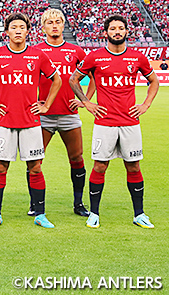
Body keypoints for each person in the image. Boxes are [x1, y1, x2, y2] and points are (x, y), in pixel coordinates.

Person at [0, 12, 61, 229]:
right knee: (0, 168)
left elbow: (57, 79)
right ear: (7, 32)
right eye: (14, 27)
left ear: (28, 31)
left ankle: (40, 214)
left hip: (31, 122)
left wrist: (46, 105)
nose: (18, 30)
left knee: (36, 167)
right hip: (5, 121)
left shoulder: (38, 55)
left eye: (22, 27)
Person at [70, 14, 158, 229]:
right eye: (113, 29)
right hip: (104, 122)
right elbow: (73, 79)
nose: (117, 32)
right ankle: (94, 213)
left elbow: (153, 81)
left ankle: (139, 214)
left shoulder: (138, 57)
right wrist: (87, 102)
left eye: (120, 28)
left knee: (134, 167)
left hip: (130, 123)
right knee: (100, 166)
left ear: (127, 31)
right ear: (105, 33)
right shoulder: (95, 57)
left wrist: (145, 105)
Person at [34, 9, 91, 217]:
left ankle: (78, 203)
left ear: (64, 25)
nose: (54, 25)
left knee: (76, 158)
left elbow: (92, 74)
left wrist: (85, 100)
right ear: (43, 27)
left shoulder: (76, 51)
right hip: (42, 116)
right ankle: (35, 204)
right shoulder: (36, 51)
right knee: (36, 160)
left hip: (69, 114)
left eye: (58, 22)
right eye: (50, 22)